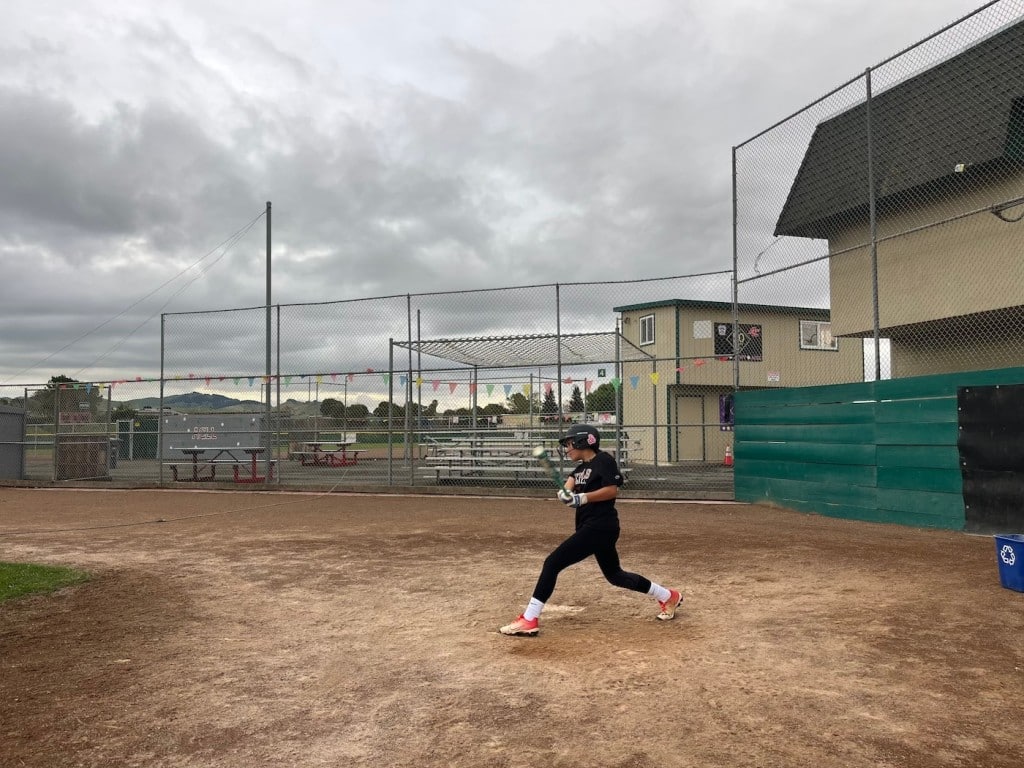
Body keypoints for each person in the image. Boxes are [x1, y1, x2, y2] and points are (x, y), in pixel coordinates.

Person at [499, 423, 682, 636]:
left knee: (552, 563)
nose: (567, 448)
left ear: (583, 441)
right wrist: (565, 495)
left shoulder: (604, 460)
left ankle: (530, 619)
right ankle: (668, 596)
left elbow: (611, 490)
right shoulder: (579, 470)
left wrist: (582, 497)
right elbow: (569, 487)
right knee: (615, 575)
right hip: (592, 528)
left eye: (570, 443)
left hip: (600, 526)